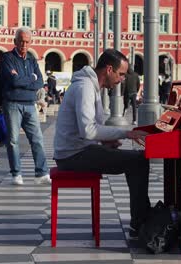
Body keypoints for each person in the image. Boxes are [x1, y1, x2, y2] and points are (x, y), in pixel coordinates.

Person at [53, 49, 150, 238]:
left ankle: (141, 219)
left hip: (76, 150)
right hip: (72, 156)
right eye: (121, 74)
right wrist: (126, 133)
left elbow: (88, 129)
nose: (122, 79)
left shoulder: (91, 86)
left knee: (136, 161)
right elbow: (88, 130)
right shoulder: (85, 87)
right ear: (109, 69)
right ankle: (140, 223)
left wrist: (106, 141)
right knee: (138, 161)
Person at [0, 27, 50, 185]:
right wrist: (31, 79)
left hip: (30, 104)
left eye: (27, 41)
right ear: (15, 41)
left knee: (38, 139)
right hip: (12, 104)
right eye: (21, 41)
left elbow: (40, 82)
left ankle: (41, 173)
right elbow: (13, 81)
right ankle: (16, 174)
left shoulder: (32, 60)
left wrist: (25, 79)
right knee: (13, 140)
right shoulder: (7, 58)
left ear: (30, 43)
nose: (24, 44)